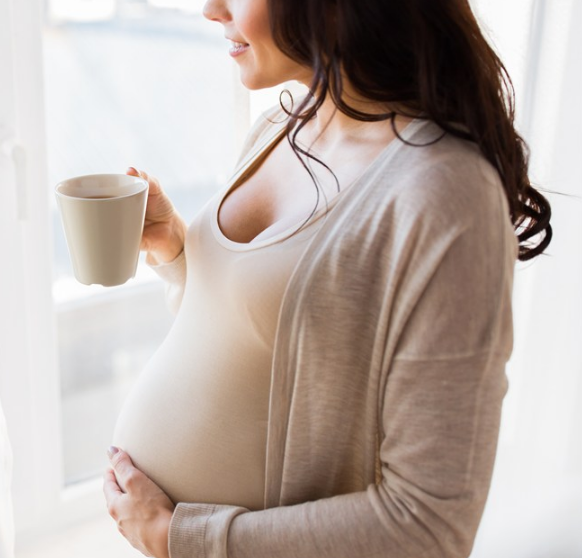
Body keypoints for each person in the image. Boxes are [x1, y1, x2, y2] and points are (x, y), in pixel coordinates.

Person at [101, 0, 553, 556]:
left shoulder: (446, 194)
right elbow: (264, 343)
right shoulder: (283, 125)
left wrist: (180, 537)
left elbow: (430, 526)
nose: (211, 9)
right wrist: (177, 250)